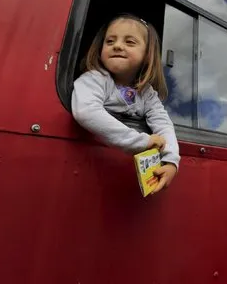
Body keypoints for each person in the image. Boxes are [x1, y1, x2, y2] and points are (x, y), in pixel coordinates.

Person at [71, 13, 180, 194]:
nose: (118, 46)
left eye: (129, 42)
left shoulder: (147, 94)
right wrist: (141, 142)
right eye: (110, 41)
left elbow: (163, 125)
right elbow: (86, 112)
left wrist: (171, 161)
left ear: (147, 55)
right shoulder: (94, 79)